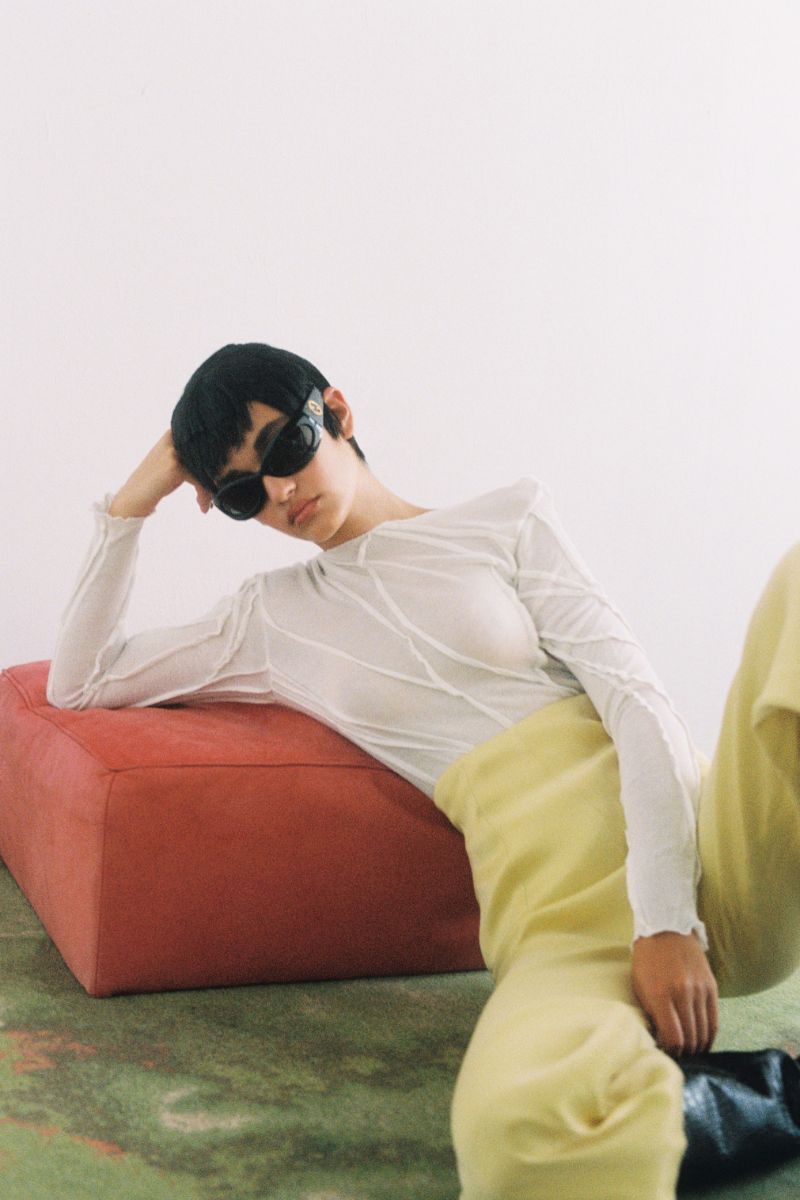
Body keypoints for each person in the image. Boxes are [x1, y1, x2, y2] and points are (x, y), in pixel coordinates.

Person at [47, 342, 800, 1199]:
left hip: (718, 851)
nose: (281, 492)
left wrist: (666, 920)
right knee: (515, 1136)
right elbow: (81, 680)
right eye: (244, 493)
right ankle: (773, 1092)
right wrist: (133, 500)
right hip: (568, 928)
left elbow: (637, 701)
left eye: (286, 449)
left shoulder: (506, 520)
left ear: (337, 412)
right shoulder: (271, 620)